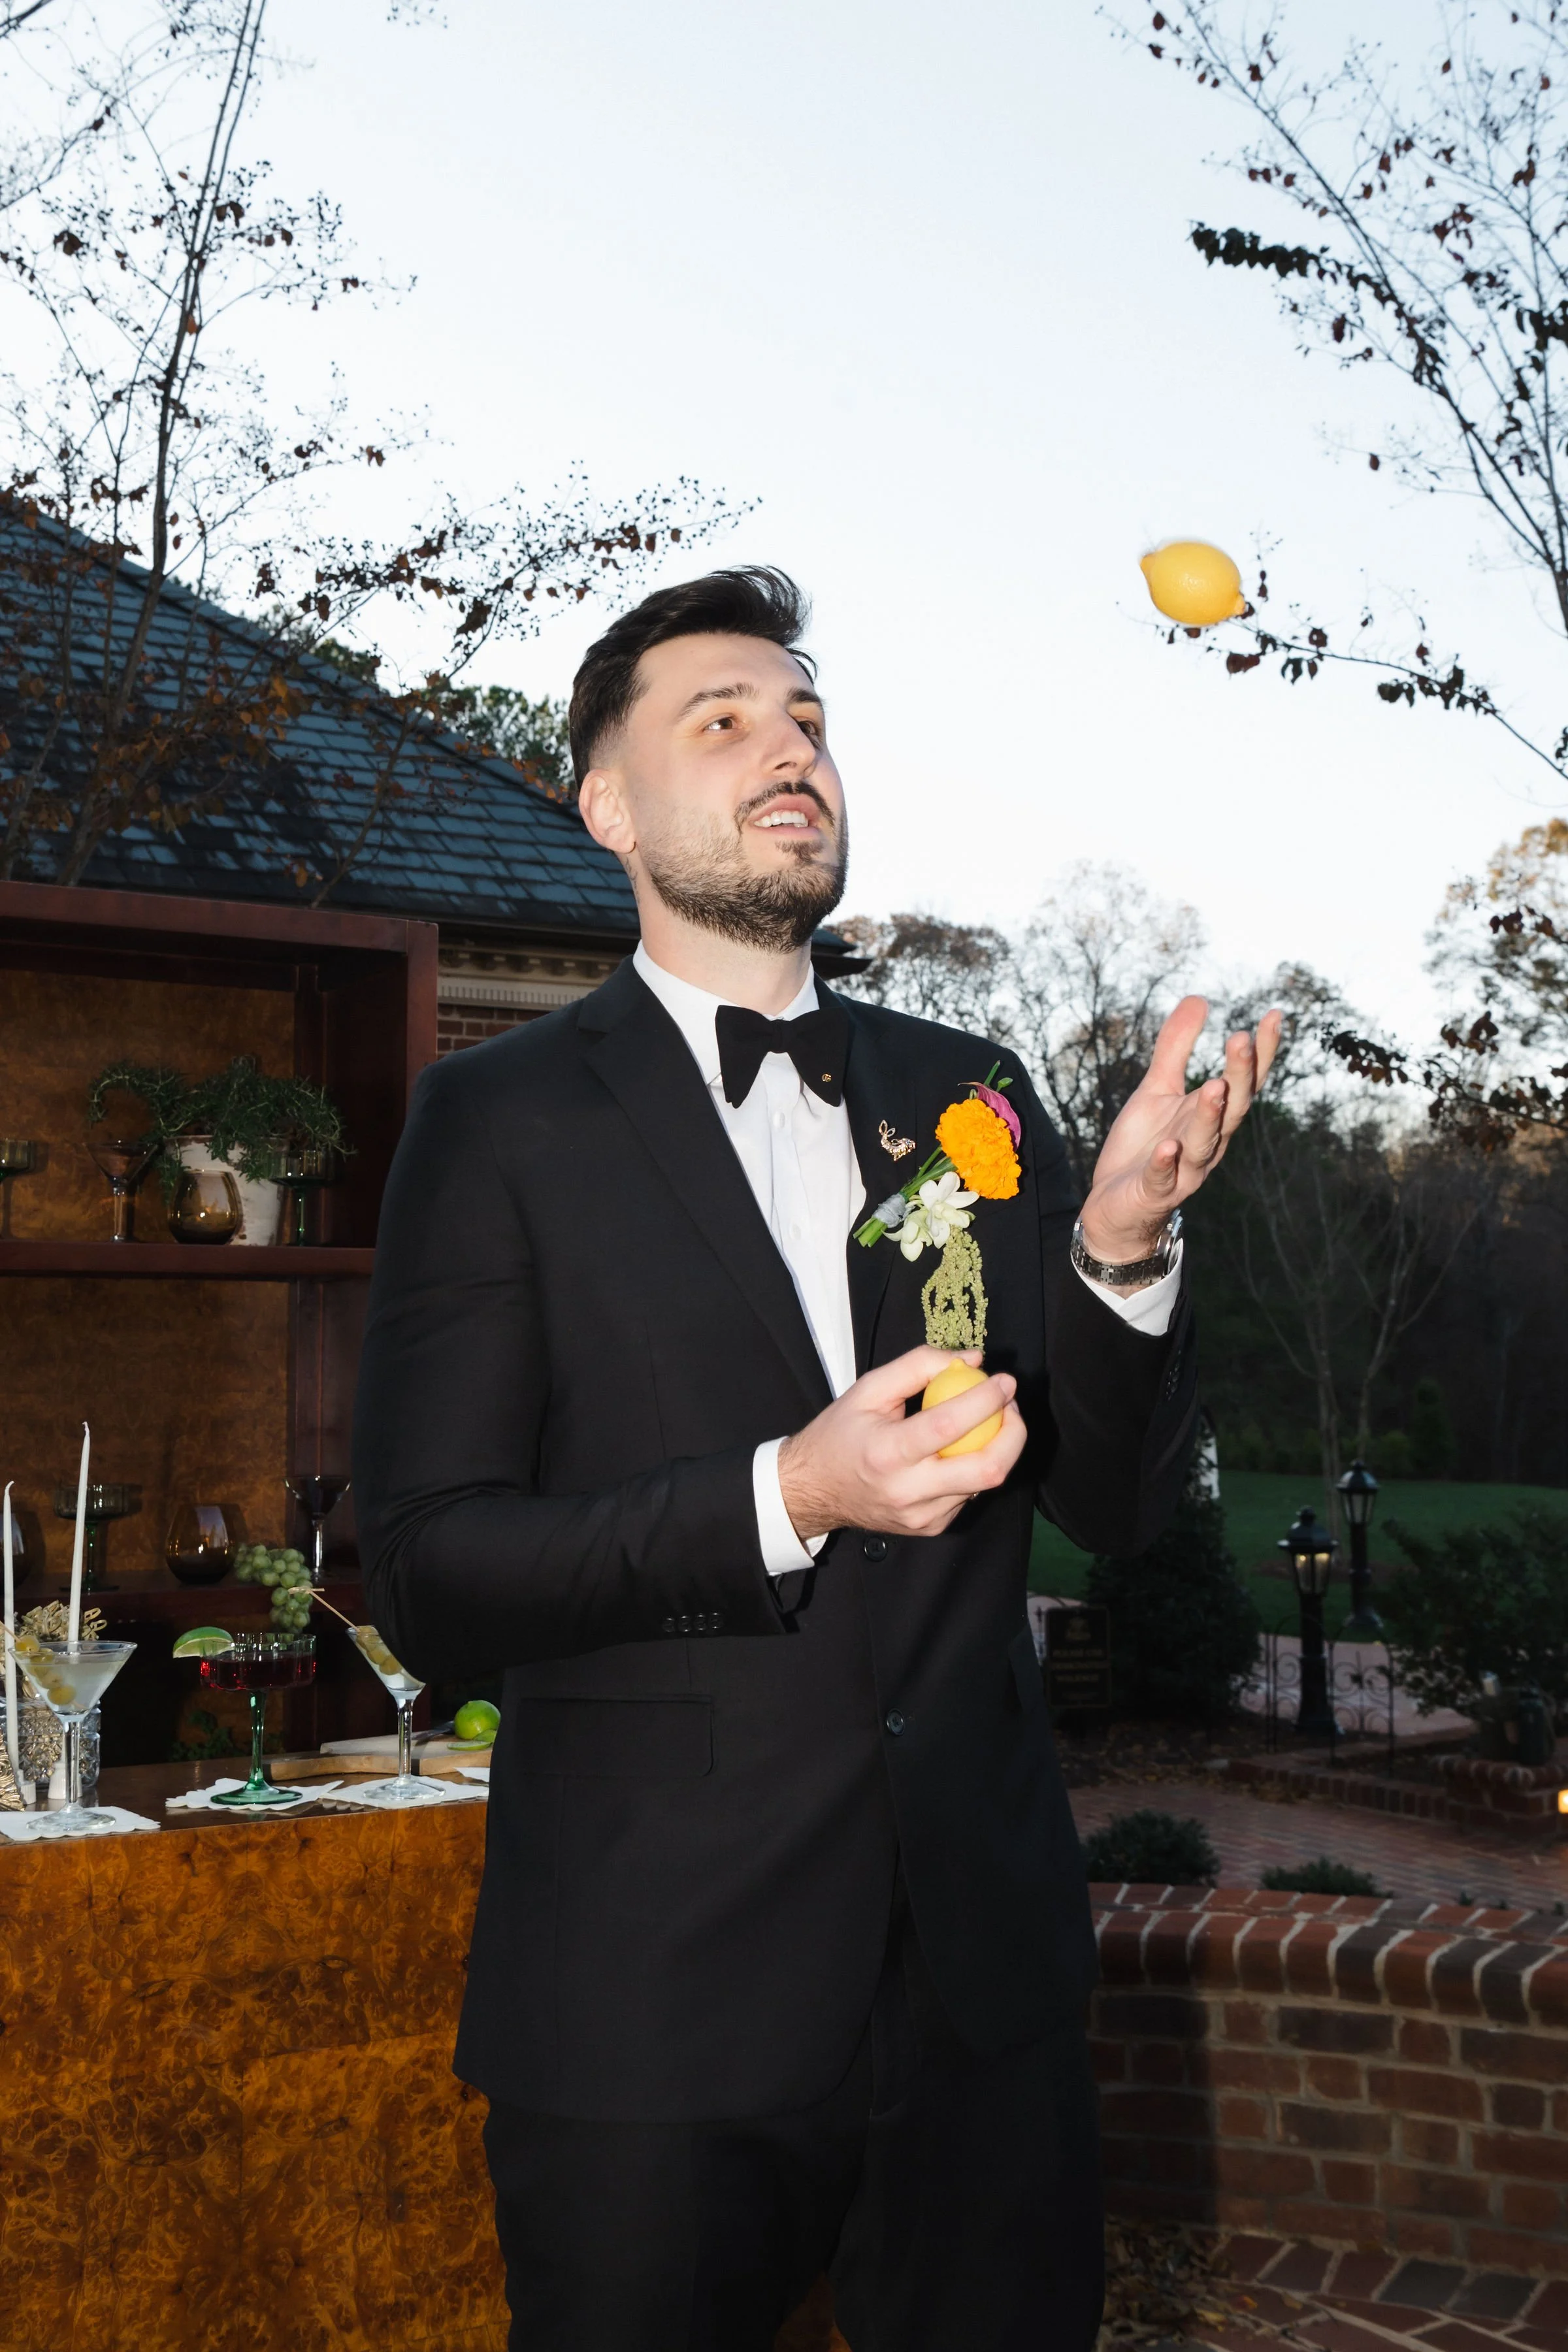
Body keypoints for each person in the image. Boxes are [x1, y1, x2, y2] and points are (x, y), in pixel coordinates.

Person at [354, 566, 1279, 2352]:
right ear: (609, 807)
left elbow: (1111, 1505)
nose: (789, 749)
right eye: (722, 721)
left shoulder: (969, 1092)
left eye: (807, 721)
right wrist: (787, 1498)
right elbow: (432, 1572)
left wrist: (1120, 1249)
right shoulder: (496, 1118)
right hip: (651, 2006)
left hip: (983, 1996)